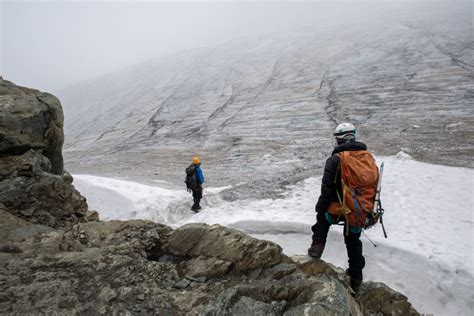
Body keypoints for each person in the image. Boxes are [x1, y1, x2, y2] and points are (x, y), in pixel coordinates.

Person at [308, 122, 367, 292]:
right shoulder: (367, 159)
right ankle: (356, 278)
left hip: (338, 210)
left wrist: (320, 208)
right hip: (358, 211)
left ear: (339, 140)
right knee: (353, 240)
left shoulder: (335, 160)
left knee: (322, 218)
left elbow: (326, 190)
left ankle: (316, 249)